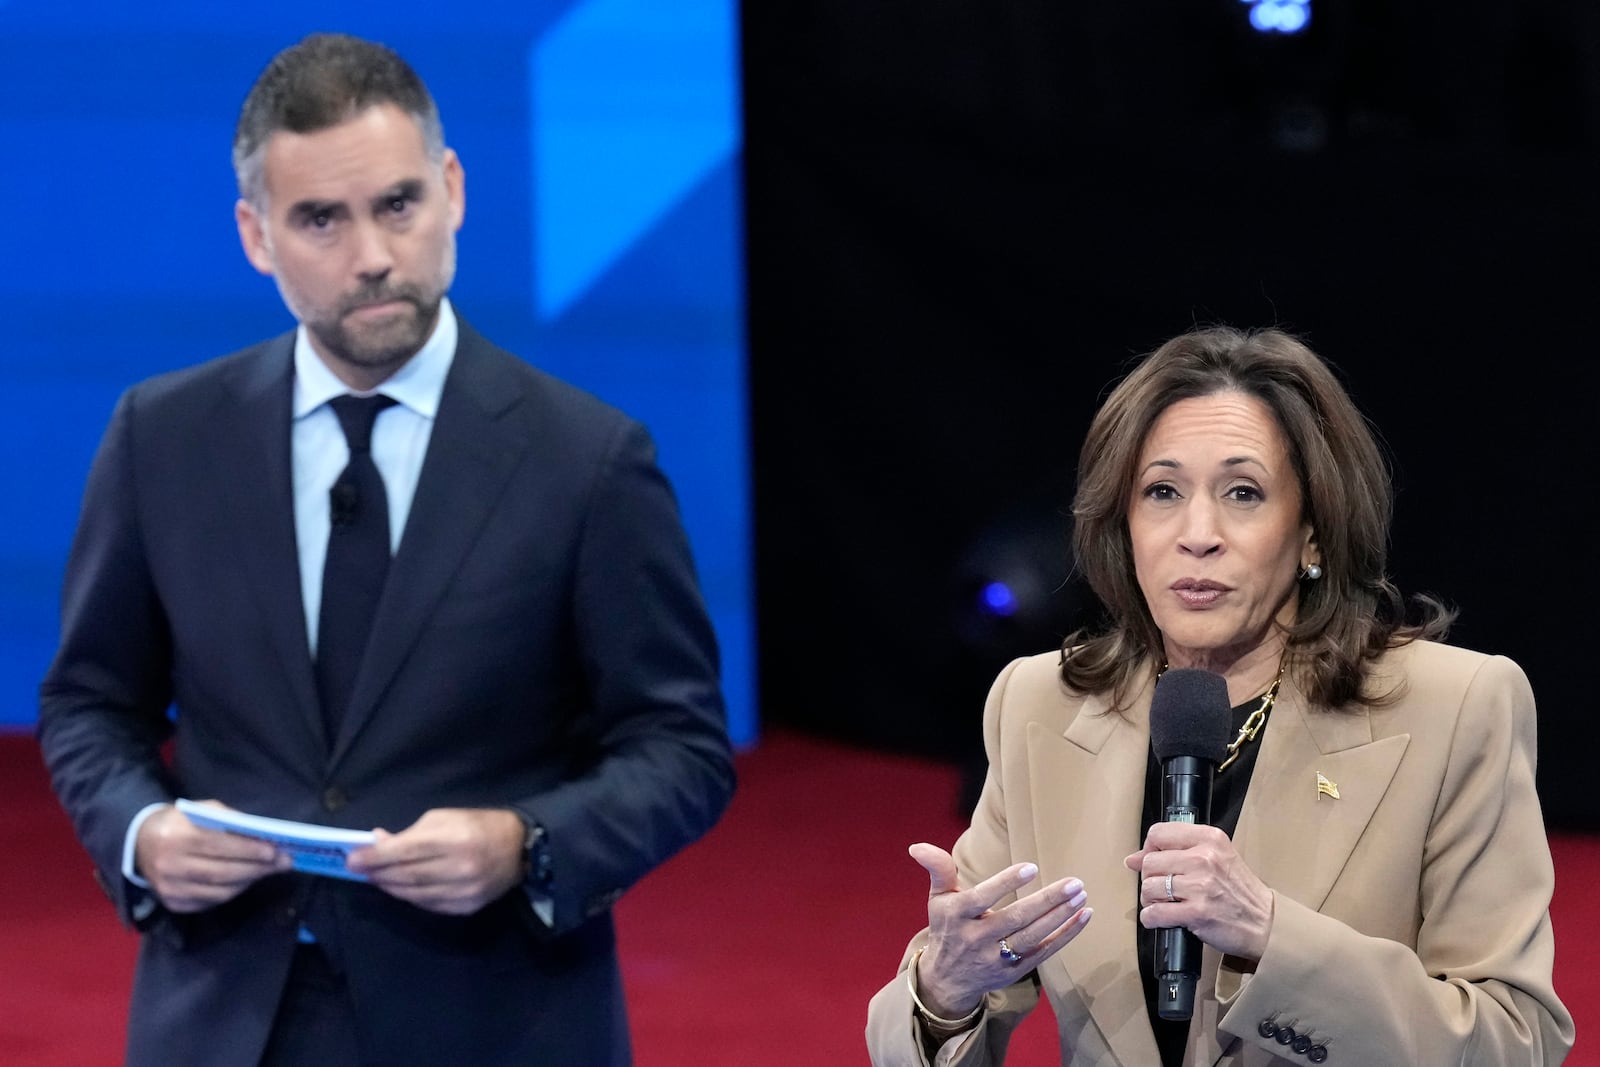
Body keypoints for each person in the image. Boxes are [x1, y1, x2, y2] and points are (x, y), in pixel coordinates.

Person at [37, 32, 734, 1067]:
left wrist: (525, 842)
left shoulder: (587, 458)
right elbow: (91, 702)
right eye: (320, 218)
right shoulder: (162, 436)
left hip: (493, 1015)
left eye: (397, 204)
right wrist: (142, 832)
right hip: (225, 1013)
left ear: (451, 189)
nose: (371, 254)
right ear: (255, 235)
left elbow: (682, 746)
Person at [865, 326, 1574, 1065]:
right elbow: (946, 1026)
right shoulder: (1038, 703)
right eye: (1162, 491)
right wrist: (943, 991)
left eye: (1243, 492)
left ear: (1313, 536)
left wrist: (1272, 934)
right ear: (1124, 524)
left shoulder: (1457, 707)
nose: (1197, 533)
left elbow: (1516, 1041)